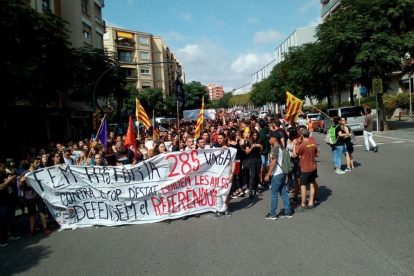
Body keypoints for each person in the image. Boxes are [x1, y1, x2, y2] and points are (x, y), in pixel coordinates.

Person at [264, 132, 293, 220]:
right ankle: (288, 211)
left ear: (274, 139)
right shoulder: (280, 147)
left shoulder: (275, 149)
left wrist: (268, 174)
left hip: (277, 173)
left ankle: (272, 214)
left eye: (270, 138)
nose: (269, 139)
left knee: (274, 194)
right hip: (282, 172)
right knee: (283, 192)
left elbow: (273, 163)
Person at [19, 157, 51, 238]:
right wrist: (22, 181)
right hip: (30, 197)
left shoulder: (39, 172)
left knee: (42, 212)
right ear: (31, 164)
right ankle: (32, 230)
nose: (38, 164)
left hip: (39, 195)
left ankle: (45, 228)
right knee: (32, 215)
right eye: (36, 162)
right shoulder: (25, 173)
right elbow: (20, 186)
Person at [294, 129, 319, 212]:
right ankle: (311, 203)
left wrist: (295, 145)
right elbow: (317, 154)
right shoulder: (312, 143)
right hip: (313, 167)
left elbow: (295, 154)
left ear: (301, 135)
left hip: (305, 168)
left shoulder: (303, 144)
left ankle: (303, 204)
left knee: (303, 185)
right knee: (311, 183)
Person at [0, 163, 20, 246]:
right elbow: (0, 187)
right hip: (2, 203)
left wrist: (10, 175)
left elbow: (14, 175)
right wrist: (8, 181)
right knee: (2, 222)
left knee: (11, 219)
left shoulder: (6, 174)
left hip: (10, 201)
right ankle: (2, 239)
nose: (4, 168)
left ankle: (10, 234)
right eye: (3, 167)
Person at [245, 129, 262, 199]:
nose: (255, 136)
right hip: (251, 159)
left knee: (257, 175)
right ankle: (250, 191)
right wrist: (251, 147)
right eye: (254, 135)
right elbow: (247, 152)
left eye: (256, 135)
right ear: (252, 135)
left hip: (258, 159)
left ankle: (255, 189)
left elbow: (261, 151)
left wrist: (260, 147)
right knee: (253, 175)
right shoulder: (248, 142)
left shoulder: (259, 141)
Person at [258, 120, 271, 189]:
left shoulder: (261, 133)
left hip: (262, 152)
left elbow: (260, 141)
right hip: (268, 150)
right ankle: (269, 180)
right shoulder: (268, 131)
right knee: (267, 165)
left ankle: (261, 181)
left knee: (262, 167)